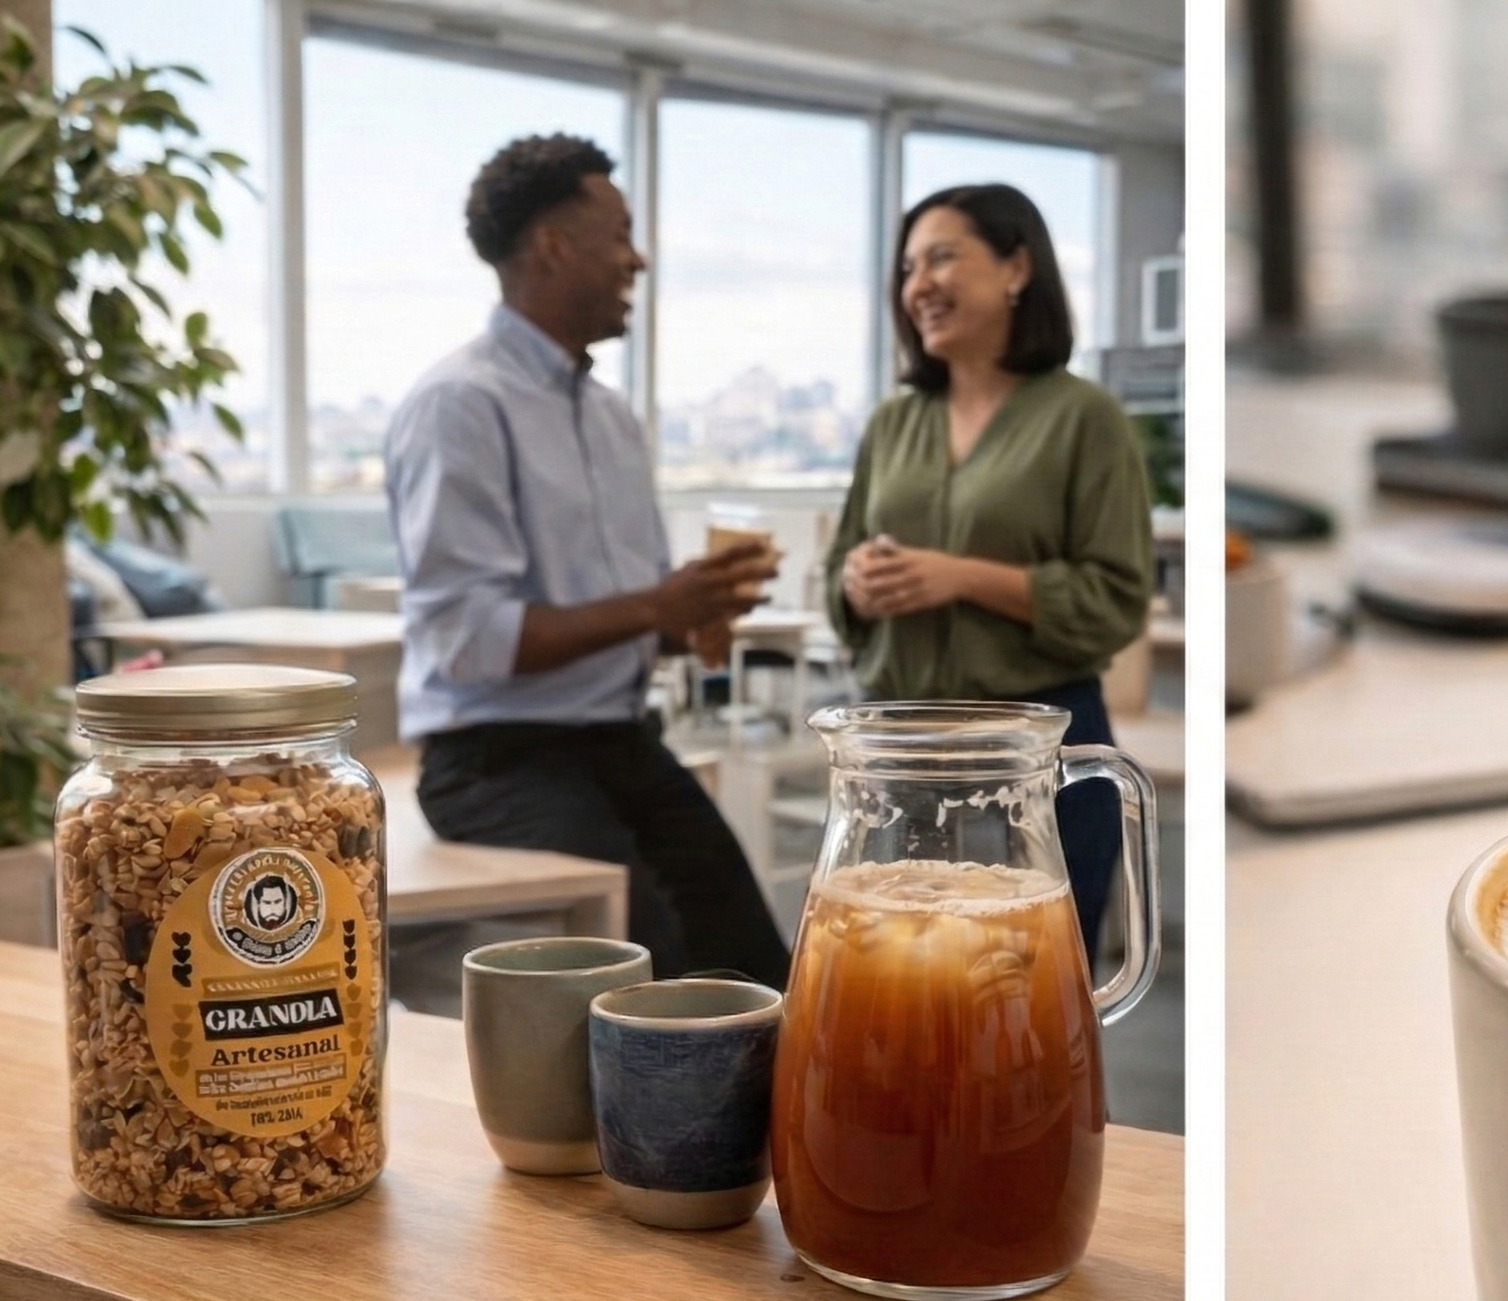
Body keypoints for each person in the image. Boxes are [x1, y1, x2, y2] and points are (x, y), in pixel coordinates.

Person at [386, 133, 789, 987]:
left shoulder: (612, 418)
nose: (636, 260)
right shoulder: (459, 404)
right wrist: (656, 607)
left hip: (619, 742)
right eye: (621, 235)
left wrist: (697, 612)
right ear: (553, 247)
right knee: (654, 981)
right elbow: (467, 639)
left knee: (762, 970)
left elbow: (634, 616)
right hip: (497, 763)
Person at [826, 183, 1155, 964]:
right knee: (892, 984)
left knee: (1024, 992)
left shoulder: (1085, 418)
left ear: (1016, 268)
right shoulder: (891, 423)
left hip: (1032, 765)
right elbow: (837, 573)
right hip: (895, 763)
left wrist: (964, 577)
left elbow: (1117, 599)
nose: (919, 285)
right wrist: (854, 584)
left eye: (942, 257)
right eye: (908, 268)